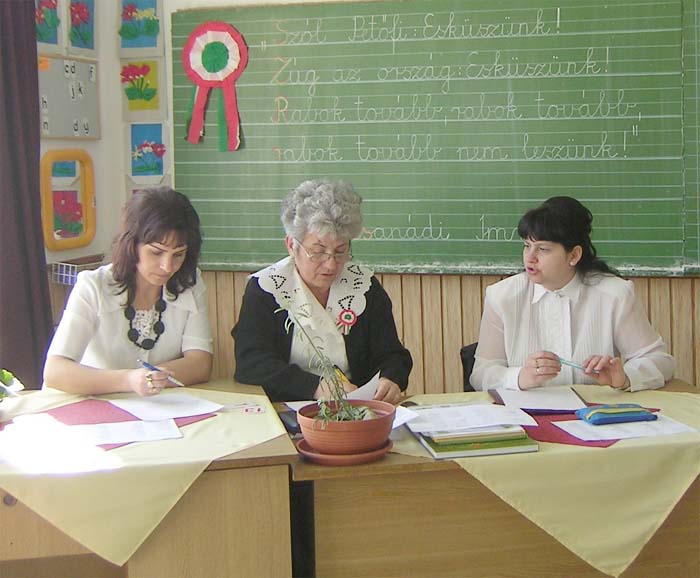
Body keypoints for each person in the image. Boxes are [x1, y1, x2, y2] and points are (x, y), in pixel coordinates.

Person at [232, 178, 412, 402]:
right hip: (286, 408)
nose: (331, 265)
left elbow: (392, 355)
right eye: (318, 251)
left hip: (358, 408)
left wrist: (390, 379)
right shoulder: (266, 289)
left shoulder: (364, 286)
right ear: (291, 245)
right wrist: (314, 387)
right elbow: (251, 363)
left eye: (340, 251)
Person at [471, 196, 675, 392]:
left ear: (574, 255)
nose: (530, 258)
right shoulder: (502, 296)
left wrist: (624, 378)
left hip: (595, 413)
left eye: (543, 249)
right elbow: (481, 373)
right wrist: (518, 377)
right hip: (523, 412)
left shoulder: (615, 295)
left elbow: (660, 361)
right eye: (527, 246)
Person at [43, 187, 213, 396]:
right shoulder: (93, 286)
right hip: (97, 405)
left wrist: (151, 379)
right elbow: (55, 372)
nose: (167, 266)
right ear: (131, 245)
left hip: (160, 407)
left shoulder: (189, 283)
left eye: (178, 255)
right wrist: (129, 380)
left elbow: (200, 363)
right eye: (156, 253)